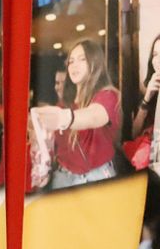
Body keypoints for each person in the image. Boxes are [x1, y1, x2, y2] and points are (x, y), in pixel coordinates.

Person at [43, 38, 122, 189]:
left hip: (96, 177)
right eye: (71, 61)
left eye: (82, 59)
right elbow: (54, 146)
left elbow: (94, 116)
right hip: (63, 177)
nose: (74, 65)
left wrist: (63, 118)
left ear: (95, 62)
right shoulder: (64, 104)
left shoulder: (107, 96)